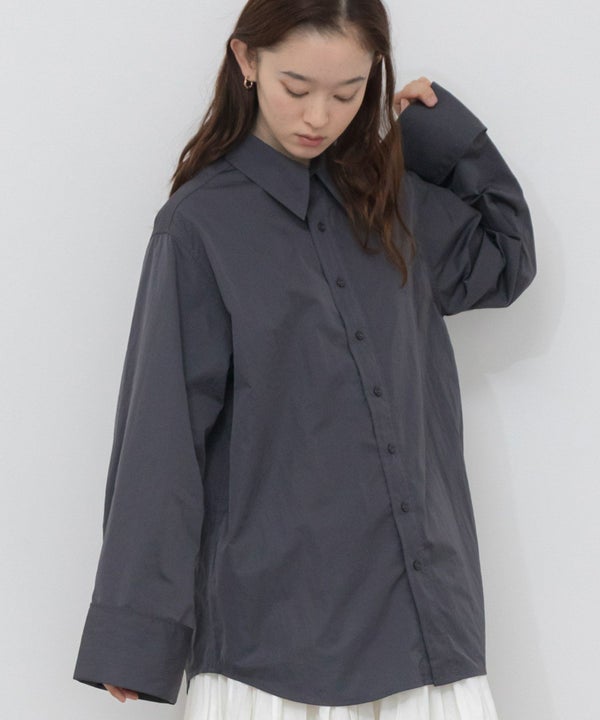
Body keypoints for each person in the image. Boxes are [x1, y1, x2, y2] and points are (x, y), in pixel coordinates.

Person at [72, 0, 537, 718]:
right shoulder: (200, 227)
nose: (319, 116)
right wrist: (136, 631)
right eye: (297, 88)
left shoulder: (393, 204)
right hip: (270, 644)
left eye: (348, 93)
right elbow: (162, 440)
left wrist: (439, 137)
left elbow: (506, 261)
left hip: (423, 630)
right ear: (246, 61)